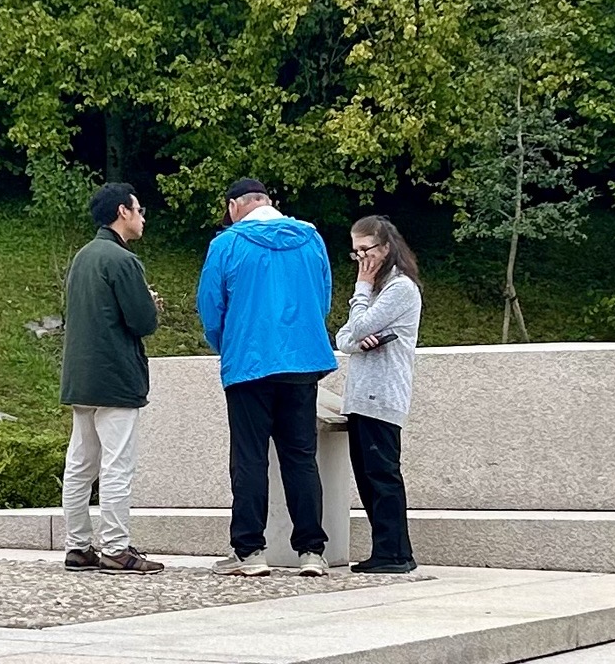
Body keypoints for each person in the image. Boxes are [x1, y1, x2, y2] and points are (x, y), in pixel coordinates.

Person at [197, 178, 338, 577]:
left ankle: (250, 551)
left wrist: (227, 344)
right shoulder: (311, 238)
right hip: (303, 362)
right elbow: (322, 297)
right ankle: (312, 551)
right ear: (268, 202)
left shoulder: (226, 245)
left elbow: (211, 306)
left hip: (249, 363)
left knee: (249, 457)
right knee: (300, 457)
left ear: (233, 206)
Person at [59, 182, 164, 575]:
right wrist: (150, 302)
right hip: (116, 376)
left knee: (80, 464)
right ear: (123, 211)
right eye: (138, 210)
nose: (142, 217)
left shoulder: (83, 257)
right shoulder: (122, 261)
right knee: (117, 466)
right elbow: (142, 321)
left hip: (80, 377)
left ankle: (78, 545)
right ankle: (117, 548)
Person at [335, 215, 422, 573]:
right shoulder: (379, 292)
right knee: (368, 477)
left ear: (386, 248)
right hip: (361, 397)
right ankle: (386, 549)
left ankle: (396, 552)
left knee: (383, 476)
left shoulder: (399, 288)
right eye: (355, 253)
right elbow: (343, 338)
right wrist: (357, 343)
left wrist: (362, 287)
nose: (361, 260)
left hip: (381, 397)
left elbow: (358, 325)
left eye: (365, 250)